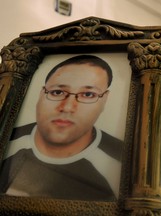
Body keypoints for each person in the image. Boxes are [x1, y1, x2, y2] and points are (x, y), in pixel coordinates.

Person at [0, 55, 123, 201]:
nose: (67, 107)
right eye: (57, 92)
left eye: (88, 94)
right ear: (41, 94)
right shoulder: (7, 137)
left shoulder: (123, 161)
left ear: (104, 100)